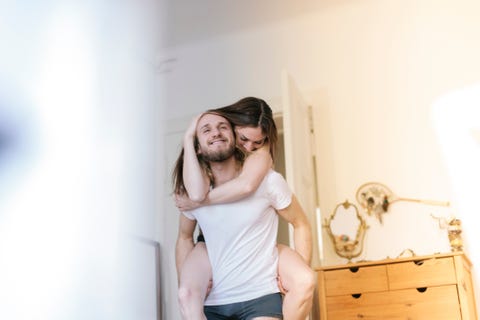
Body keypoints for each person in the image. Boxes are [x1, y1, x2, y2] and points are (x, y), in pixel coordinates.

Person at [173, 97, 315, 319]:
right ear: (198, 147)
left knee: (306, 280)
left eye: (221, 128)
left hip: (260, 297)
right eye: (206, 130)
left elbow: (248, 186)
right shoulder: (192, 191)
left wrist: (291, 277)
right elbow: (184, 237)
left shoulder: (265, 176)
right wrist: (192, 285)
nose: (248, 146)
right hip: (215, 295)